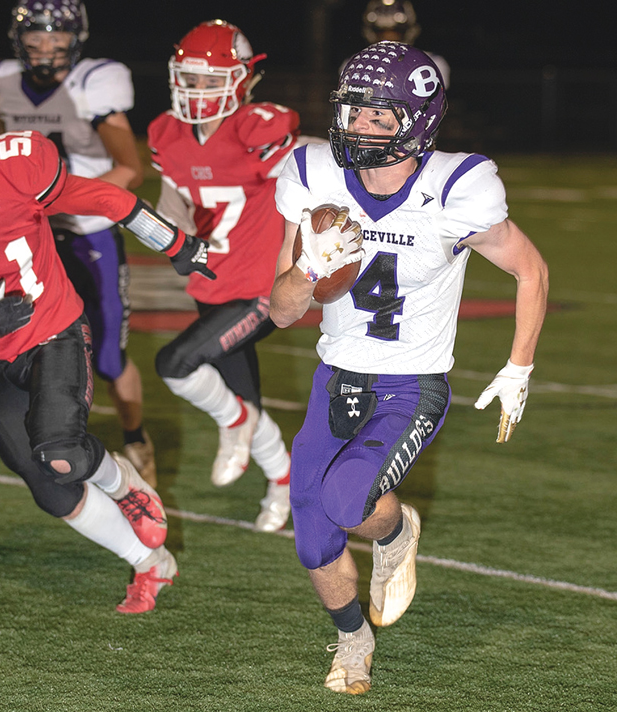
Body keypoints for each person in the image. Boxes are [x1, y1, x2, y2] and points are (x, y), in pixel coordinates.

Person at [0, 61, 215, 614]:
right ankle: (152, 563)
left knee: (62, 453)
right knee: (47, 485)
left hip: (53, 330)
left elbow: (100, 198)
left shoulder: (17, 166)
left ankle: (125, 484)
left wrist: (171, 240)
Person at [270, 42, 548, 693]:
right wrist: (308, 267)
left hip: (410, 384)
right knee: (311, 534)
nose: (359, 126)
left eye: (379, 115)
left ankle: (395, 531)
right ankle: (352, 639)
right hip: (336, 378)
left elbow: (530, 269)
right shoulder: (314, 174)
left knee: (347, 500)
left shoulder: (455, 188)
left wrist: (519, 366)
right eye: (353, 111)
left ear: (417, 121)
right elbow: (281, 312)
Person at [0, 0, 156, 486]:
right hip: (31, 237)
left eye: (55, 38)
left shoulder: (93, 82)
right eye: (35, 38)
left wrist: (57, 201)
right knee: (28, 339)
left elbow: (130, 169)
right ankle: (52, 435)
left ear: (75, 40)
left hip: (87, 231)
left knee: (108, 356)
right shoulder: (2, 79)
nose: (45, 48)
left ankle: (136, 439)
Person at [147, 19, 300, 532]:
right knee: (244, 397)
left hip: (260, 289)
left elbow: (314, 164)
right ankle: (283, 482)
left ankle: (233, 423)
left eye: (212, 79)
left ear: (243, 79)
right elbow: (172, 202)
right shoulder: (167, 133)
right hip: (211, 284)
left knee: (176, 363)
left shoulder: (258, 128)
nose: (198, 89)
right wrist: (173, 240)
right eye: (191, 78)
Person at [350, 0, 450, 89]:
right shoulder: (354, 63)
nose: (388, 40)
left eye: (395, 33)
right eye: (382, 33)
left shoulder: (431, 63)